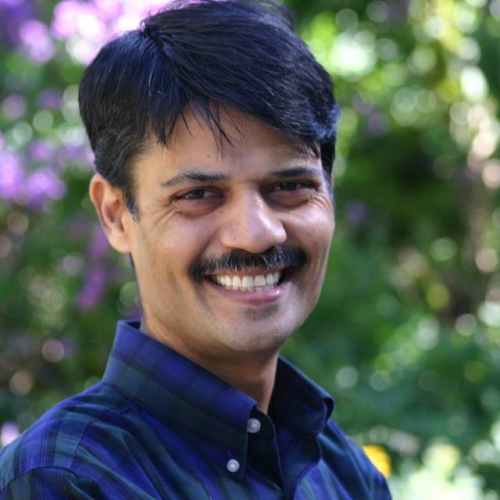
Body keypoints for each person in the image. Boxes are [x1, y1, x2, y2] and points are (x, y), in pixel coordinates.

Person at [0, 0, 392, 498]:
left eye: (290, 186)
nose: (256, 234)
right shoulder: (67, 479)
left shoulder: (344, 474)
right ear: (116, 214)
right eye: (199, 195)